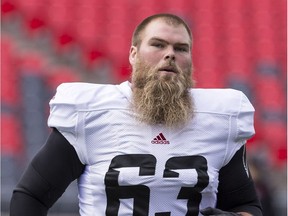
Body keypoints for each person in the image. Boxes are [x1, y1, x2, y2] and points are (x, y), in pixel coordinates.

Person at [10, 13, 262, 216]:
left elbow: (247, 205)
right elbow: (31, 195)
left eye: (181, 48)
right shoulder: (91, 114)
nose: (170, 54)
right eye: (158, 44)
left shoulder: (218, 119)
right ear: (133, 54)